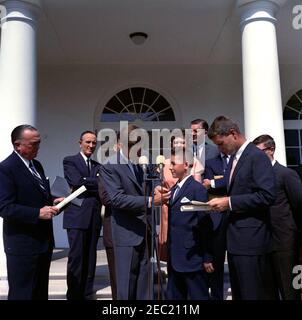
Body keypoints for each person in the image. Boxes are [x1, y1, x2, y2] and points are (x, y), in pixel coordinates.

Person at [207, 116, 276, 300]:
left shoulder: (257, 156)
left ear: (233, 134)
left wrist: (228, 203)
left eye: (221, 144)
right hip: (236, 241)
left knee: (252, 294)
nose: (220, 149)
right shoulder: (233, 159)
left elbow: (267, 195)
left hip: (252, 242)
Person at [100, 124, 171, 300]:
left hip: (145, 232)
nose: (142, 150)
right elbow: (116, 199)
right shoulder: (110, 166)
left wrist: (158, 188)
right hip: (126, 233)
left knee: (145, 287)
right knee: (127, 286)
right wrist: (149, 201)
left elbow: (149, 185)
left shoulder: (140, 164)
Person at [0, 125, 62, 300]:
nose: (38, 148)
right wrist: (36, 213)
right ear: (17, 145)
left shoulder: (37, 165)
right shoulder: (6, 169)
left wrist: (53, 202)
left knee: (40, 293)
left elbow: (36, 197)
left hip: (43, 242)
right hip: (23, 246)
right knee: (23, 294)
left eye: (39, 143)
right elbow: (5, 207)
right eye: (33, 144)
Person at [253, 134, 302, 300]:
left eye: (259, 152)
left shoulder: (286, 174)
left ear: (271, 150)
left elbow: (299, 206)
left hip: (286, 245)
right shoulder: (255, 178)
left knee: (291, 292)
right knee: (267, 293)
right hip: (263, 243)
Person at [166, 148, 213, 300]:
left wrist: (207, 257)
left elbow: (205, 225)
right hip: (175, 257)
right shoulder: (174, 189)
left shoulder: (197, 189)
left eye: (174, 163)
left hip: (192, 257)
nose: (170, 167)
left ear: (186, 165)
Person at [63, 130, 102, 300]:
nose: (91, 146)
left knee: (90, 256)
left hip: (94, 217)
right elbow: (77, 182)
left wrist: (87, 182)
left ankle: (87, 292)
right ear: (80, 143)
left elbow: (99, 185)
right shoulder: (70, 161)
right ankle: (73, 294)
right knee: (77, 257)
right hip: (76, 217)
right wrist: (94, 181)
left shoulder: (97, 165)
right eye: (88, 142)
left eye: (94, 143)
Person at [159, 133, 204, 261]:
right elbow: (161, 184)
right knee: (168, 238)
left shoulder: (193, 162)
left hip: (186, 204)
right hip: (168, 204)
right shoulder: (166, 163)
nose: (179, 145)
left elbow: (196, 186)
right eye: (176, 142)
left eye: (182, 142)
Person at [202, 152, 232, 300]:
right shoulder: (210, 163)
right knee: (216, 263)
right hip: (217, 217)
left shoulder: (239, 160)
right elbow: (208, 188)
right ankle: (216, 296)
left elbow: (235, 182)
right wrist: (221, 183)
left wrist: (215, 181)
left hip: (237, 216)